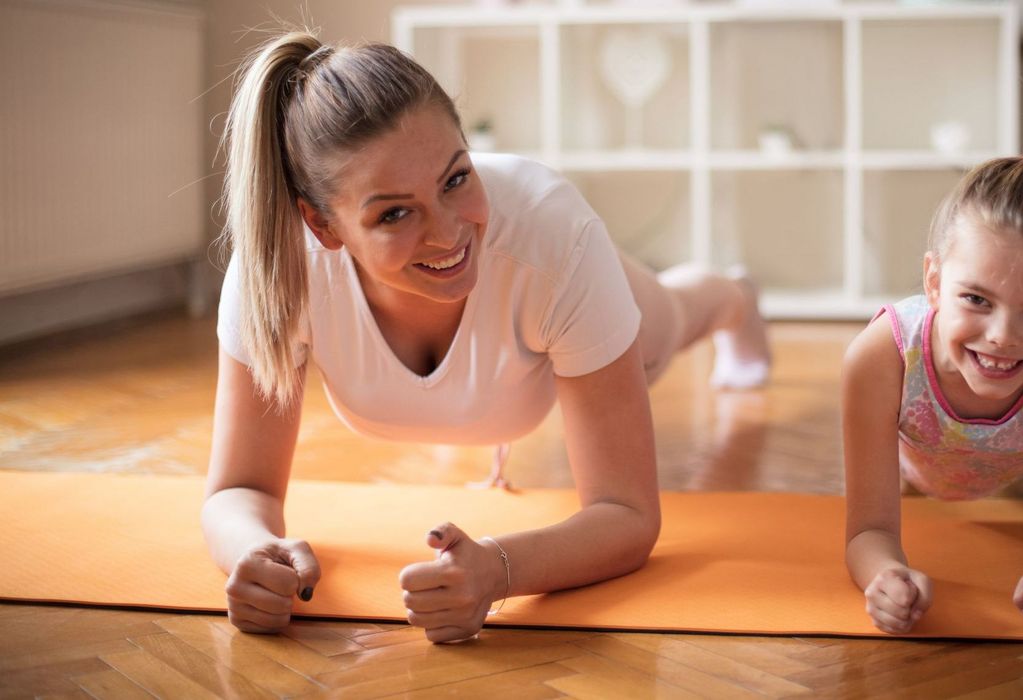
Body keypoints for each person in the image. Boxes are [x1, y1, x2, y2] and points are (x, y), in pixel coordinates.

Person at [202, 31, 771, 643]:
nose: (448, 234)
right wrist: (252, 551)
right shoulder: (278, 272)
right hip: (510, 358)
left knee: (677, 314)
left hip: (568, 279)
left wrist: (499, 570)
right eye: (394, 213)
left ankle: (735, 296)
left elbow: (628, 515)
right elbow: (240, 488)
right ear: (322, 224)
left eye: (455, 179)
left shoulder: (554, 234)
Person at [841, 46, 1023, 638]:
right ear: (932, 281)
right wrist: (886, 576)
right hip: (912, 472)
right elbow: (866, 530)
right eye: (976, 299)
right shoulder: (881, 357)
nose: (1003, 337)